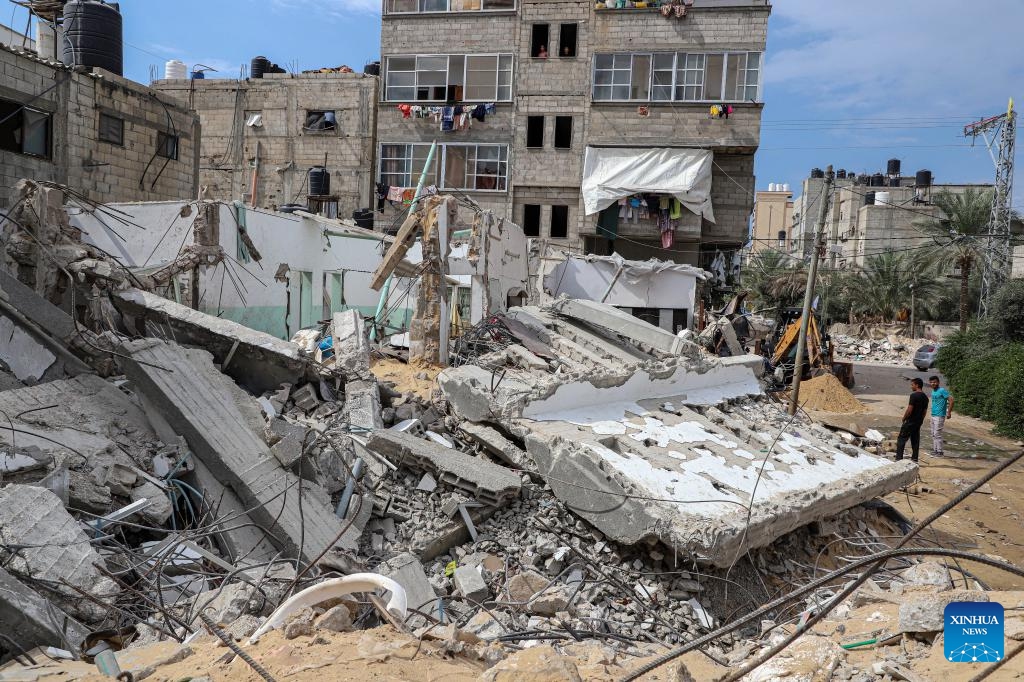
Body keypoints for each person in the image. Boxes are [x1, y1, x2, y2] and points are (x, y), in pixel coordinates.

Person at [896, 378, 929, 463]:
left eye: (912, 385)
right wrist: (920, 420)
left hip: (910, 421)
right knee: (915, 440)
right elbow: (924, 412)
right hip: (918, 422)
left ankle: (898, 459)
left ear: (917, 385)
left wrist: (904, 418)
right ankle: (915, 459)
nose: (911, 386)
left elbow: (910, 409)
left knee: (901, 439)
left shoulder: (914, 395)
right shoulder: (925, 397)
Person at [928, 375, 953, 457]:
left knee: (937, 434)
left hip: (940, 415)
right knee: (933, 433)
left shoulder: (942, 390)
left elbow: (951, 400)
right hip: (933, 414)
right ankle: (935, 450)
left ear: (938, 382)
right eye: (931, 382)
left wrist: (949, 412)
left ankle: (940, 452)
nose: (933, 383)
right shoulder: (933, 391)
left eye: (934, 382)